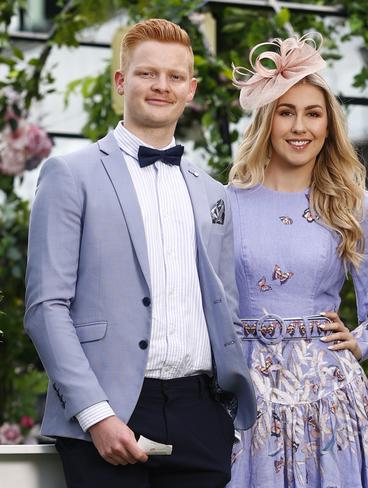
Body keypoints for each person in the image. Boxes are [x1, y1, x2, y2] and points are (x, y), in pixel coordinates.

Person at [24, 18, 255, 488]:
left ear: (190, 89)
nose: (161, 86)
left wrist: (223, 416)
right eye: (147, 73)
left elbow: (226, 305)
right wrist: (95, 414)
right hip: (107, 416)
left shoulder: (213, 192)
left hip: (201, 417)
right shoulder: (70, 175)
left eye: (174, 77)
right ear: (120, 80)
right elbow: (46, 308)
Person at [225, 33, 368, 488]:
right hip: (246, 398)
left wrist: (364, 338)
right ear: (267, 120)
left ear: (328, 126)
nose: (300, 127)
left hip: (329, 397)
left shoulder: (348, 204)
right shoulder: (224, 204)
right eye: (287, 112)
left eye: (313, 114)